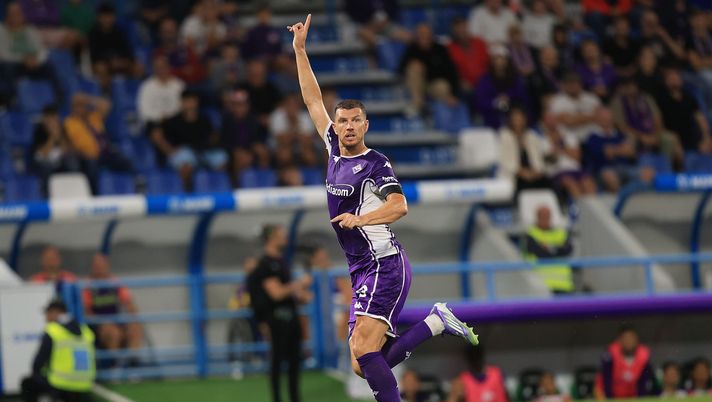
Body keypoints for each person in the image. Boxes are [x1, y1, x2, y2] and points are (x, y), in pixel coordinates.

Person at [290, 15, 479, 402]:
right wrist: (299, 50)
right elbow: (312, 99)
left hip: (383, 264)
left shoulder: (376, 164)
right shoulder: (331, 145)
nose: (346, 127)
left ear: (366, 125)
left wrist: (361, 219)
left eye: (355, 121)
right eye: (342, 121)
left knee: (362, 350)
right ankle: (435, 321)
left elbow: (399, 206)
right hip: (361, 268)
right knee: (363, 363)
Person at [247, 225, 312, 402]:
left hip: (291, 318)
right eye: (281, 235)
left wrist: (300, 296)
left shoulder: (282, 260)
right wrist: (300, 284)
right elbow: (276, 293)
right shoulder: (265, 264)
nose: (285, 238)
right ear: (271, 238)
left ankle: (294, 398)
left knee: (294, 362)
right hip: (276, 320)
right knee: (277, 362)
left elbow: (286, 290)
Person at [21, 300, 95, 402]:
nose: (45, 318)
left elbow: (37, 364)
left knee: (27, 383)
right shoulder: (86, 331)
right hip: (85, 384)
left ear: (56, 312)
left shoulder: (53, 330)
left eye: (47, 313)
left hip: (61, 385)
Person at [152, 89, 226, 190]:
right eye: (187, 101)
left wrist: (212, 142)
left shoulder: (204, 120)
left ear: (196, 102)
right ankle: (187, 192)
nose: (190, 104)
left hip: (202, 151)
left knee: (221, 158)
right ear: (181, 103)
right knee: (186, 161)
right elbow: (156, 135)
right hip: (183, 152)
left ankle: (219, 189)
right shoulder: (173, 121)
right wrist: (169, 150)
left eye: (192, 100)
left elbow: (213, 136)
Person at [63, 92, 133, 194]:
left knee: (126, 161)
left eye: (82, 105)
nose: (80, 108)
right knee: (92, 166)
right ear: (72, 108)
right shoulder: (69, 123)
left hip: (104, 153)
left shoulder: (93, 117)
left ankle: (135, 188)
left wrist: (87, 99)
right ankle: (93, 197)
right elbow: (69, 144)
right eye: (77, 106)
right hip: (86, 157)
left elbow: (107, 105)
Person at [82, 253, 142, 365]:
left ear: (107, 266)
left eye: (102, 265)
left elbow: (128, 303)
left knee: (135, 328)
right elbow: (86, 310)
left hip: (116, 321)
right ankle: (113, 366)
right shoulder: (88, 285)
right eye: (97, 266)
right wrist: (101, 323)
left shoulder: (115, 282)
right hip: (98, 324)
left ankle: (134, 365)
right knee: (113, 332)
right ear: (92, 267)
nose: (99, 268)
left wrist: (133, 317)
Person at [610, 78, 682, 167]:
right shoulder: (617, 101)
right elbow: (621, 126)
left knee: (668, 138)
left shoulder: (646, 98)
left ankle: (666, 168)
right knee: (629, 140)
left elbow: (657, 118)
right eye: (627, 86)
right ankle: (638, 171)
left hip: (651, 132)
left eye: (632, 86)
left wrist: (655, 135)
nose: (630, 89)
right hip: (632, 134)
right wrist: (642, 137)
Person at [398, 23, 460, 115]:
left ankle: (441, 115)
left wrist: (454, 94)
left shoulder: (440, 49)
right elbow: (400, 69)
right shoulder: (412, 48)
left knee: (443, 86)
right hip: (418, 86)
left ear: (431, 35)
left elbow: (452, 71)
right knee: (414, 67)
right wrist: (415, 65)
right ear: (417, 36)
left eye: (426, 34)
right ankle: (417, 105)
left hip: (434, 84)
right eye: (421, 34)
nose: (424, 37)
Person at [656, 68, 712, 155]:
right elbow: (659, 122)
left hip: (692, 137)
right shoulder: (661, 98)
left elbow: (700, 118)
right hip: (674, 138)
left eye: (676, 78)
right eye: (671, 79)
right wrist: (673, 140)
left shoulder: (689, 97)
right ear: (666, 82)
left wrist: (706, 138)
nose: (674, 81)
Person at [541, 112, 596, 200]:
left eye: (553, 119)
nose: (551, 122)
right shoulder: (542, 140)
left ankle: (594, 208)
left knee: (587, 182)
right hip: (557, 171)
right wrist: (563, 150)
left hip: (575, 169)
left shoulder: (569, 136)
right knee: (571, 183)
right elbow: (549, 160)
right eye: (548, 120)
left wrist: (561, 148)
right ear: (544, 122)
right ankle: (582, 210)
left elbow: (577, 157)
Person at [220, 89, 270, 185]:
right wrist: (236, 150)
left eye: (242, 104)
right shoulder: (227, 120)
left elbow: (258, 138)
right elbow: (224, 141)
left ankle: (264, 183)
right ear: (232, 106)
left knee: (263, 152)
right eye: (237, 105)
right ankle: (236, 185)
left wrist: (251, 151)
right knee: (239, 156)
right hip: (231, 152)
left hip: (249, 149)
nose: (240, 108)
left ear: (247, 105)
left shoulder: (253, 119)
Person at [584, 107, 641, 193]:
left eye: (608, 118)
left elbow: (631, 152)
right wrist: (621, 150)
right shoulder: (592, 137)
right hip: (602, 171)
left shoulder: (620, 135)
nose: (607, 120)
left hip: (624, 167)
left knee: (647, 173)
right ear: (597, 119)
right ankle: (620, 202)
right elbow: (607, 153)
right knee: (610, 176)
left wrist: (614, 150)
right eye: (603, 118)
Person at [475, 44, 529, 129]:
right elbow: (480, 101)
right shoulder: (485, 79)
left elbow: (522, 96)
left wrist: (509, 97)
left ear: (507, 60)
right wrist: (495, 102)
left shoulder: (515, 78)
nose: (500, 61)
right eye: (497, 58)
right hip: (492, 117)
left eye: (502, 58)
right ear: (492, 61)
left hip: (514, 115)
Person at [499, 107, 550, 194]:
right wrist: (522, 172)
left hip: (533, 174)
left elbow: (539, 159)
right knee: (526, 184)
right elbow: (504, 161)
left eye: (521, 119)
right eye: (516, 119)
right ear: (510, 121)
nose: (519, 122)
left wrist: (537, 172)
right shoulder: (504, 135)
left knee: (547, 183)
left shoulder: (531, 135)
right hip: (515, 175)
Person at [29, 105, 79, 195]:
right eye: (50, 118)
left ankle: (72, 193)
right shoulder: (39, 131)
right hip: (43, 161)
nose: (52, 121)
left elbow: (68, 150)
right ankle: (46, 196)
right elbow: (43, 153)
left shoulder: (62, 128)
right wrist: (52, 137)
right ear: (45, 118)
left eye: (55, 118)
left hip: (58, 160)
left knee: (72, 162)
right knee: (46, 167)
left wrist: (59, 137)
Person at [596, 325, 656, 399]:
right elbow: (606, 383)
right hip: (611, 396)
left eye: (631, 338)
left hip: (633, 397)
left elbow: (644, 385)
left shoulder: (644, 356)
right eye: (625, 338)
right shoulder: (609, 355)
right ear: (619, 340)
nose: (629, 341)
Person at [524, 205, 574, 294]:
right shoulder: (531, 235)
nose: (545, 218)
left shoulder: (561, 233)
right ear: (537, 217)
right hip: (541, 286)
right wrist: (557, 248)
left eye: (547, 216)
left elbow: (568, 250)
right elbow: (541, 254)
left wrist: (548, 247)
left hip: (563, 284)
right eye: (542, 216)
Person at [87, 3, 134, 89]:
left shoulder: (119, 32)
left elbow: (127, 50)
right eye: (104, 17)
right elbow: (95, 55)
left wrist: (123, 60)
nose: (107, 19)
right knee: (101, 68)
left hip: (119, 62)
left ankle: (134, 93)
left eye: (110, 16)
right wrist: (111, 61)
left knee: (137, 67)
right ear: (99, 18)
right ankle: (106, 95)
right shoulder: (93, 33)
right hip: (103, 63)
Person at [548, 72, 600, 143]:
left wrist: (574, 118)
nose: (572, 86)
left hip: (593, 136)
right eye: (569, 84)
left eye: (575, 83)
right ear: (564, 86)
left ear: (580, 84)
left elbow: (600, 117)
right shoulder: (557, 101)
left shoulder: (592, 98)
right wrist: (590, 117)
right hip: (570, 139)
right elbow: (569, 122)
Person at [137, 54, 185, 131]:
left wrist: (170, 117)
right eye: (157, 68)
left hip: (175, 121)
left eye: (163, 67)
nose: (161, 70)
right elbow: (144, 110)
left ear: (169, 67)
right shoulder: (146, 86)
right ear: (154, 69)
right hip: (155, 122)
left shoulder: (179, 85)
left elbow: (182, 106)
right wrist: (160, 118)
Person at [270, 93, 318, 168]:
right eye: (289, 105)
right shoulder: (277, 116)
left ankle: (309, 177)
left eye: (294, 105)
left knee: (309, 156)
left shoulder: (305, 116)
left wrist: (293, 132)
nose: (292, 108)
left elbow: (308, 141)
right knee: (285, 155)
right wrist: (295, 129)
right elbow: (282, 141)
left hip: (302, 145)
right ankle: (284, 174)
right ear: (284, 106)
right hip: (281, 146)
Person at [445, 16, 489, 93]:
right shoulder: (449, 49)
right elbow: (450, 72)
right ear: (453, 30)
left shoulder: (479, 43)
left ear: (467, 27)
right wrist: (459, 81)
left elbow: (488, 64)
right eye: (458, 28)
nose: (461, 30)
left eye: (463, 27)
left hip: (485, 83)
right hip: (465, 87)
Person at [527, 46, 562, 120]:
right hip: (542, 110)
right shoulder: (535, 75)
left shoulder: (562, 72)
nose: (551, 58)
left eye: (553, 56)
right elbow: (541, 98)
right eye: (547, 56)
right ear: (541, 57)